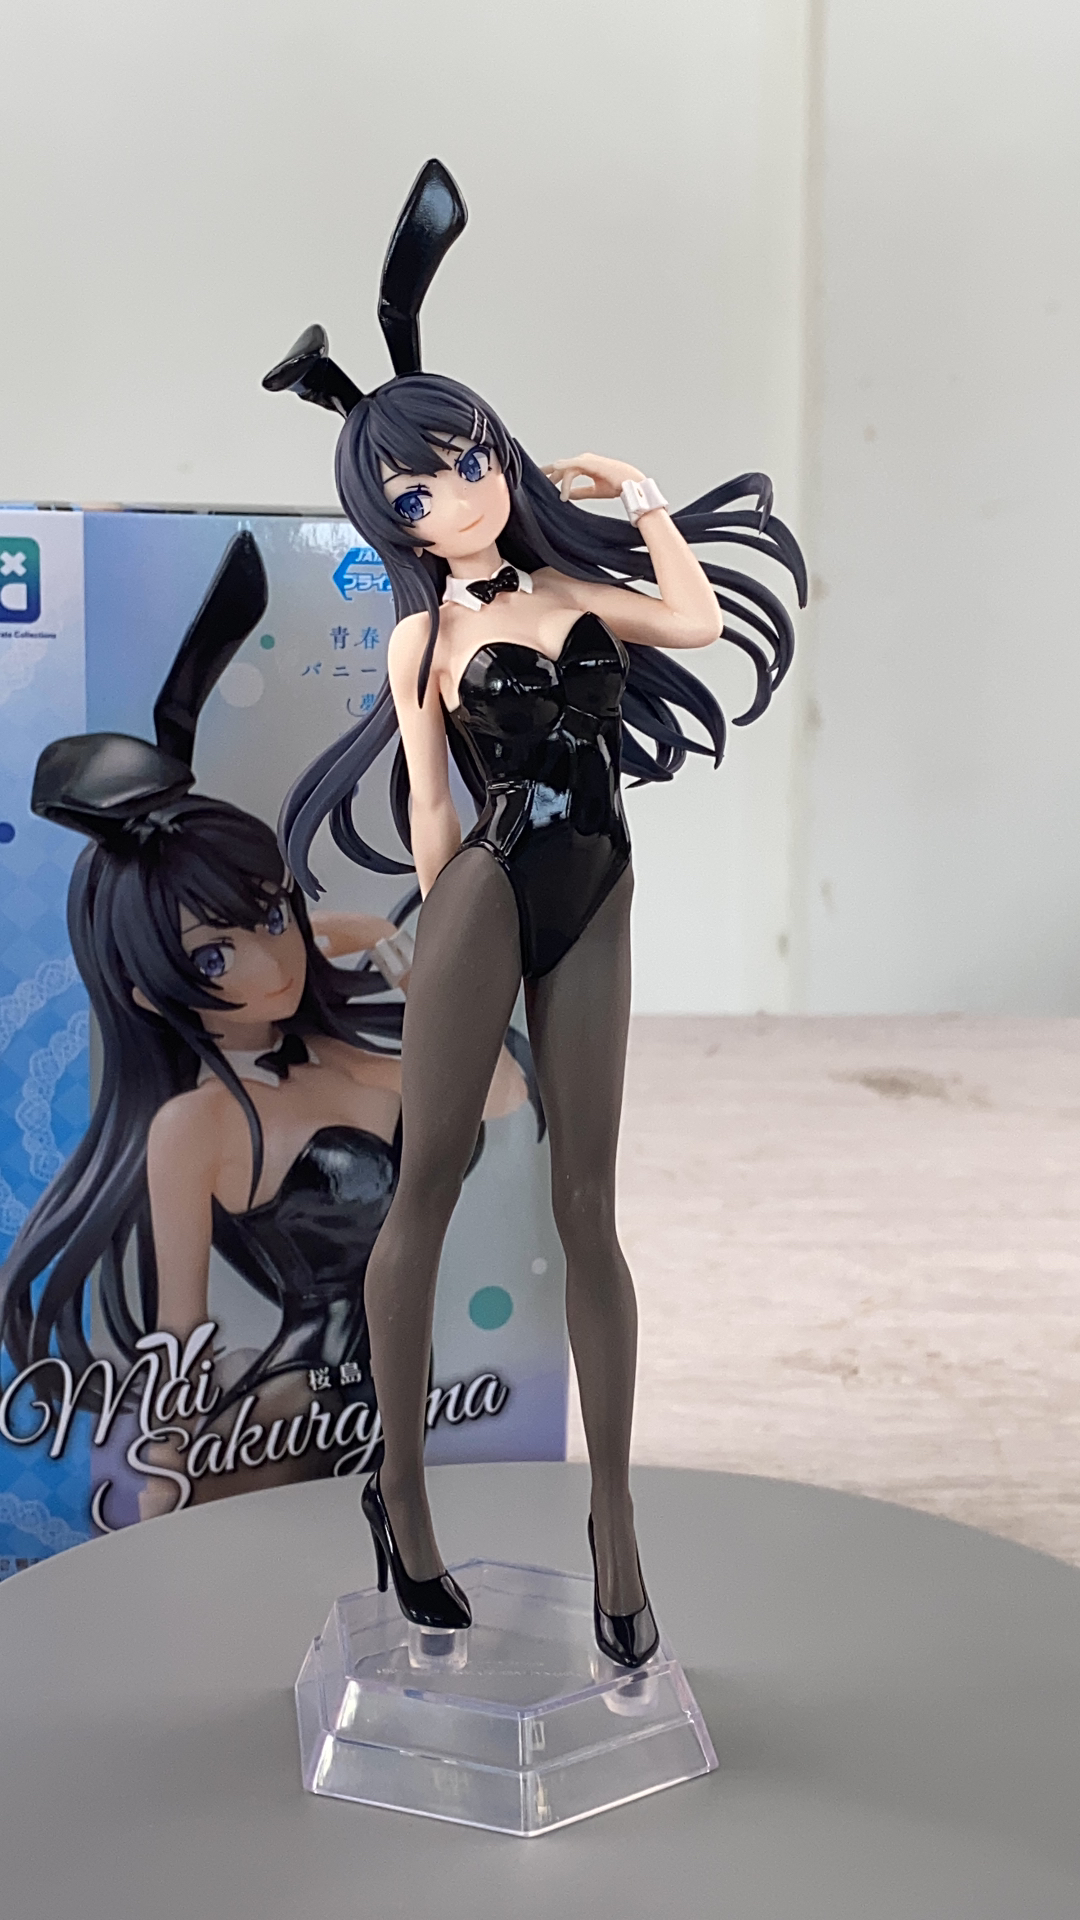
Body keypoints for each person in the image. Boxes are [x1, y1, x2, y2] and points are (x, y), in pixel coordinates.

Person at [264, 161, 806, 1663]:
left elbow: (694, 617)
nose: (448, 498)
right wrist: (441, 939)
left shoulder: (573, 590)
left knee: (589, 1210)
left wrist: (637, 495)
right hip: (486, 895)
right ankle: (402, 1499)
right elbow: (432, 806)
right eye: (412, 493)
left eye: (458, 461)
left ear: (495, 448)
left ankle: (615, 1526)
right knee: (425, 1187)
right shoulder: (425, 638)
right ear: (393, 520)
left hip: (599, 894)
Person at [0, 533, 529, 1522]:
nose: (271, 960)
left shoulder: (339, 1057)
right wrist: (162, 1485)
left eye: (273, 911)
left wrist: (386, 947)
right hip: (299, 1412)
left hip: (409, 1402)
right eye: (213, 957)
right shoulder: (194, 1127)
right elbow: (180, 1330)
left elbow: (499, 1091)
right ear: (148, 991)